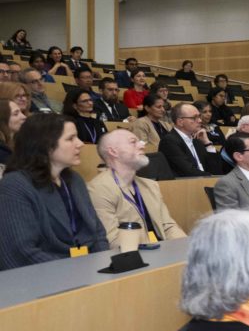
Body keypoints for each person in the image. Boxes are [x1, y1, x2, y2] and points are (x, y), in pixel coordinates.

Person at [0, 114, 109, 269]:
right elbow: (21, 252)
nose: (80, 144)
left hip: (86, 268)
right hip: (43, 276)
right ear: (45, 145)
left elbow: (97, 232)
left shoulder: (75, 179)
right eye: (70, 139)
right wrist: (72, 273)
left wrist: (103, 264)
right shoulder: (15, 185)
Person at [88, 129, 187, 243]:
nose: (142, 145)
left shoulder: (150, 185)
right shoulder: (98, 189)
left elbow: (168, 226)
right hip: (131, 252)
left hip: (162, 249)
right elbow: (112, 240)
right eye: (133, 142)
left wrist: (186, 247)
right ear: (113, 151)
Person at [159, 103, 221, 177]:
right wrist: (212, 177)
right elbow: (188, 171)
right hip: (186, 183)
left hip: (205, 181)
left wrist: (207, 143)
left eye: (199, 116)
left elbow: (217, 169)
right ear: (180, 122)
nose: (200, 120)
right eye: (194, 118)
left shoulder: (197, 140)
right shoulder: (169, 141)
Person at [0, 98, 27, 168]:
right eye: (16, 114)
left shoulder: (19, 141)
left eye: (21, 112)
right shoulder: (2, 152)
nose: (24, 117)